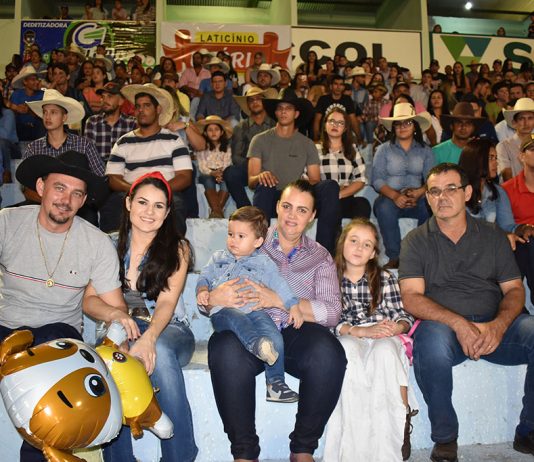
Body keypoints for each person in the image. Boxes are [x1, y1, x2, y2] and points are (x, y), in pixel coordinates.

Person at [1, 151, 135, 462]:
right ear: (41, 187)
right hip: (6, 327)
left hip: (58, 337)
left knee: (58, 379)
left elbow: (114, 305)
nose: (66, 200)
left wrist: (120, 333)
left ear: (84, 200)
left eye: (77, 193)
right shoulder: (7, 223)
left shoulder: (96, 243)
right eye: (59, 188)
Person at [399, 162, 534, 462]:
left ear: (468, 193)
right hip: (446, 329)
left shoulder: (493, 235)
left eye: (451, 189)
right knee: (429, 342)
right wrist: (459, 324)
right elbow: (411, 298)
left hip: (496, 326)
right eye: (434, 191)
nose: (442, 197)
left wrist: (498, 325)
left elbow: (514, 289)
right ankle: (445, 438)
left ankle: (529, 431)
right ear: (427, 198)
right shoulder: (416, 240)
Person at [206, 180, 346, 462]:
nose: (292, 215)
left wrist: (279, 299)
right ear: (277, 207)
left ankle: (303, 449)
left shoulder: (320, 257)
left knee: (329, 353)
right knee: (223, 349)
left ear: (312, 216)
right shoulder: (249, 237)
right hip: (248, 327)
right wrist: (212, 297)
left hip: (294, 331)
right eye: (287, 206)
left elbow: (332, 311)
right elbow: (214, 279)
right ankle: (244, 453)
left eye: (302, 210)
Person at [98, 171, 198, 462]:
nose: (149, 212)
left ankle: (179, 456)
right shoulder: (107, 245)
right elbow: (90, 299)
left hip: (169, 329)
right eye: (142, 202)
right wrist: (117, 317)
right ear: (129, 203)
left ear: (166, 213)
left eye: (158, 206)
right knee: (112, 361)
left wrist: (150, 337)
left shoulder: (178, 248)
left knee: (161, 352)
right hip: (118, 328)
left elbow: (167, 302)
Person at [324, 219, 416, 462]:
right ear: (342, 243)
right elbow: (329, 320)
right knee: (346, 349)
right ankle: (353, 443)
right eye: (354, 241)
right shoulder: (329, 278)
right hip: (350, 333)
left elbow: (403, 314)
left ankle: (397, 427)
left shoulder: (384, 278)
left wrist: (397, 327)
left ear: (374, 253)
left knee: (384, 351)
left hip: (384, 334)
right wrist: (360, 331)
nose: (359, 248)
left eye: (367, 245)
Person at [197, 206, 302, 403]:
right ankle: (255, 345)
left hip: (254, 310)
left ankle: (276, 384)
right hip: (224, 312)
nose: (233, 240)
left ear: (258, 241)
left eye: (241, 236)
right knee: (236, 318)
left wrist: (293, 305)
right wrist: (203, 290)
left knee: (274, 336)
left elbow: (280, 284)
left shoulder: (264, 263)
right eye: (230, 234)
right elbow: (205, 277)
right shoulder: (218, 258)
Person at [248, 93, 340, 254]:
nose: (283, 111)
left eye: (288, 108)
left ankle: (323, 253)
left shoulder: (307, 143)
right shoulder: (259, 140)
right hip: (272, 197)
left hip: (298, 197)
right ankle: (259, 250)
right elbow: (251, 180)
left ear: (296, 114)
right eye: (280, 108)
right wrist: (260, 176)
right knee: (264, 185)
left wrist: (299, 185)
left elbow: (315, 179)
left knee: (330, 186)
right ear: (276, 112)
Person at [105, 83, 193, 235]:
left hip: (165, 191)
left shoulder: (173, 140)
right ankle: (114, 249)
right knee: (112, 205)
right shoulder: (123, 142)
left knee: (177, 204)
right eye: (138, 106)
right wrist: (134, 191)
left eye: (146, 105)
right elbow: (113, 178)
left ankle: (174, 249)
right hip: (131, 192)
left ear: (158, 109)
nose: (141, 110)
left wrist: (159, 191)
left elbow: (185, 177)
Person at [23, 89, 104, 226]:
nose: (47, 116)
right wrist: (50, 203)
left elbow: (100, 177)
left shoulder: (83, 144)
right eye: (45, 112)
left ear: (64, 117)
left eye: (53, 112)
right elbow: (26, 186)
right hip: (41, 205)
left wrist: (77, 200)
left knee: (89, 219)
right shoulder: (33, 148)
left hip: (78, 205)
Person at [372, 102, 435, 269]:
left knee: (430, 206)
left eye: (407, 122)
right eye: (398, 124)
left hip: (418, 196)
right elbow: (376, 180)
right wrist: (395, 196)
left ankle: (421, 255)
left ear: (415, 126)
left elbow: (432, 179)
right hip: (390, 196)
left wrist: (420, 192)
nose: (402, 127)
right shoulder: (383, 149)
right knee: (384, 208)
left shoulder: (426, 150)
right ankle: (395, 257)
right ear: (393, 128)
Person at [316, 107, 371, 221]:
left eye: (340, 123)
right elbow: (308, 178)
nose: (335, 125)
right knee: (331, 204)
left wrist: (339, 194)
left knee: (363, 203)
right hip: (322, 199)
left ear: (345, 128)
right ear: (325, 125)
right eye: (331, 121)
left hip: (345, 197)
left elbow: (360, 180)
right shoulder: (315, 149)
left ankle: (358, 232)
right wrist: (330, 193)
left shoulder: (352, 150)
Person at [224, 87, 275, 208]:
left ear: (265, 101)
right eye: (251, 100)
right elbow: (236, 156)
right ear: (247, 105)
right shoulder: (240, 127)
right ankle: (245, 208)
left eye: (258, 99)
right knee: (230, 173)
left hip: (273, 166)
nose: (255, 102)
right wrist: (255, 166)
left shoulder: (276, 124)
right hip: (248, 167)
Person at [458, 138, 518, 240]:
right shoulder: (457, 191)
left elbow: (507, 226)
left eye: (496, 158)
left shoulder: (498, 191)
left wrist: (522, 228)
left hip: (491, 244)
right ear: (474, 160)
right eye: (490, 158)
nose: (496, 163)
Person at [502, 135, 534, 307]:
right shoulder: (507, 189)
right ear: (521, 156)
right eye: (533, 149)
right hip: (522, 244)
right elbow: (504, 225)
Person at [194, 115, 233, 218]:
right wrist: (212, 173)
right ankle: (218, 210)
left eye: (216, 129)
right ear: (205, 133)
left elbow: (227, 162)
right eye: (210, 130)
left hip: (222, 173)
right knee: (208, 180)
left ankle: (215, 212)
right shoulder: (202, 147)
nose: (213, 132)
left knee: (227, 183)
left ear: (222, 132)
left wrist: (220, 174)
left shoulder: (227, 147)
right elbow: (202, 165)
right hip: (207, 174)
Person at [313, 74, 362, 143]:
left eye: (341, 84)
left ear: (343, 87)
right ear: (331, 86)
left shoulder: (347, 99)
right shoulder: (323, 99)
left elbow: (353, 119)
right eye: (336, 84)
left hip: (343, 135)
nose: (338, 87)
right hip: (326, 134)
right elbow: (317, 120)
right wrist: (316, 138)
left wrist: (359, 138)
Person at [498, 97, 534, 181]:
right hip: (513, 188)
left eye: (530, 118)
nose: (526, 123)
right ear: (514, 122)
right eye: (521, 118)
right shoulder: (503, 146)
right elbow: (507, 176)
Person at [8, 66, 45, 141]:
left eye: (37, 79)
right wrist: (16, 109)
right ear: (25, 82)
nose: (37, 82)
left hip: (38, 130)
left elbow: (45, 115)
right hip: (20, 129)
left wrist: (29, 110)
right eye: (33, 80)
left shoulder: (43, 95)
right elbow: (10, 114)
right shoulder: (16, 95)